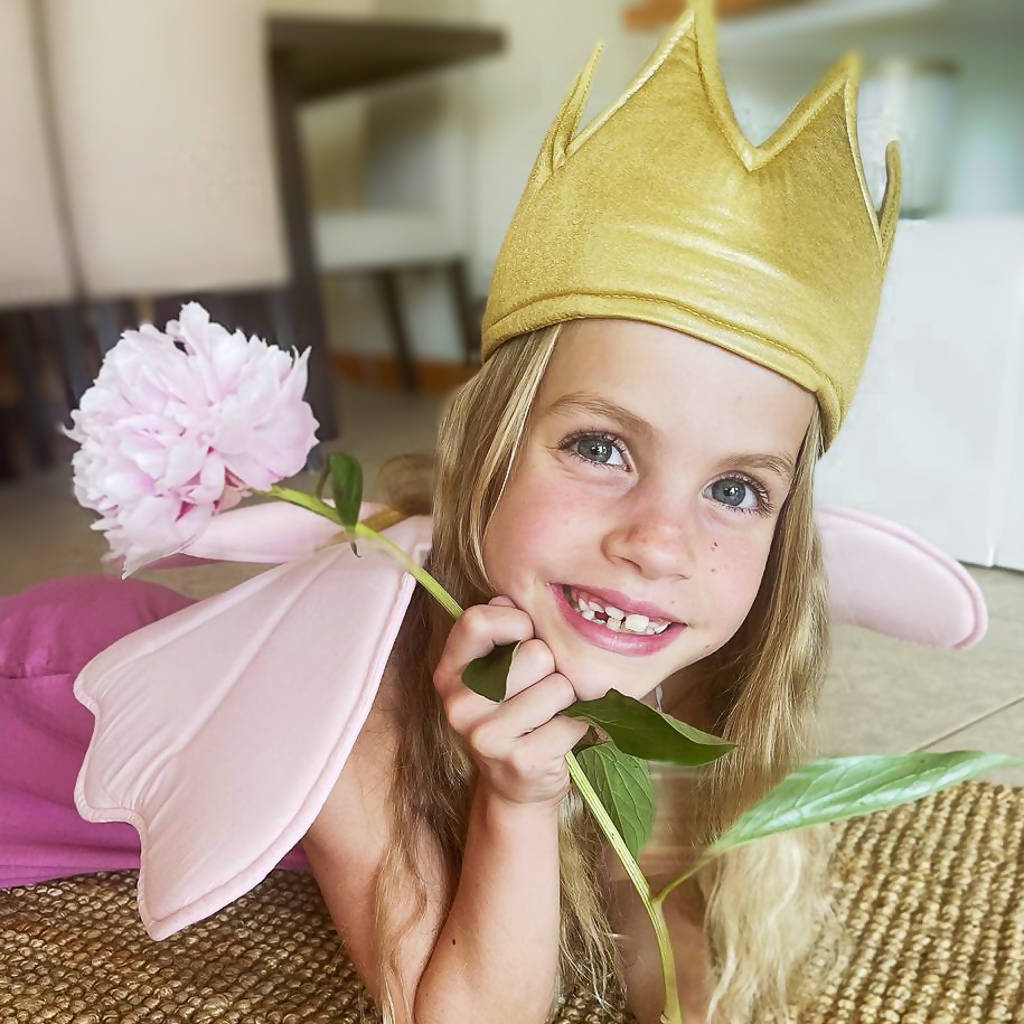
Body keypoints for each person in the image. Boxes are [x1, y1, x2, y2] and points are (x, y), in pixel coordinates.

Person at [1, 2, 903, 1023]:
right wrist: (518, 803)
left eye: (734, 491)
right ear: (487, 457)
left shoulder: (664, 653)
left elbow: (659, 922)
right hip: (32, 696)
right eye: (600, 448)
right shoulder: (350, 672)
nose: (659, 545)